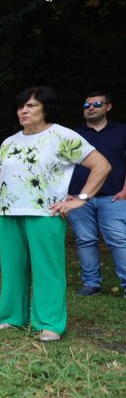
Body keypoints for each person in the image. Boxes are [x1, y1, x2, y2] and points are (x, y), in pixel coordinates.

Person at [0, 86, 111, 342]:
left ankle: (49, 323)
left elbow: (101, 165)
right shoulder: (9, 142)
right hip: (9, 214)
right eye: (21, 106)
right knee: (12, 269)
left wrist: (81, 199)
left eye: (31, 105)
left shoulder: (62, 136)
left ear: (46, 108)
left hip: (45, 213)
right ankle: (11, 317)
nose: (23, 110)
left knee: (47, 270)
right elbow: (2, 181)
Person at [67, 91, 126, 297]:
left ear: (108, 107)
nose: (91, 108)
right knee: (85, 240)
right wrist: (66, 193)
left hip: (113, 197)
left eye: (97, 104)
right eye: (87, 105)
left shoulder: (122, 131)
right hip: (78, 199)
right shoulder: (73, 135)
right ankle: (91, 284)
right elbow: (62, 166)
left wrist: (125, 191)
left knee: (119, 240)